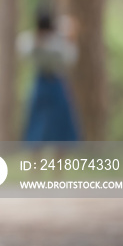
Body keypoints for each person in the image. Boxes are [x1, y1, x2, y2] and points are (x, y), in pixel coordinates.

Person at [19, 9, 81, 144]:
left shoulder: (58, 42)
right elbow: (22, 47)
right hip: (40, 81)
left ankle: (59, 164)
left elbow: (71, 58)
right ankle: (35, 165)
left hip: (57, 81)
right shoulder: (32, 41)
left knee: (62, 126)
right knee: (36, 125)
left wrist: (69, 38)